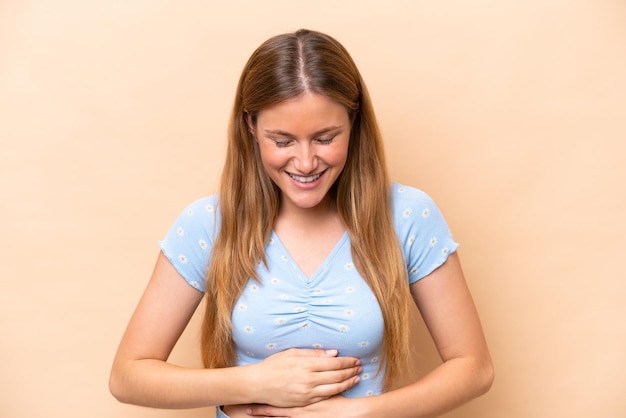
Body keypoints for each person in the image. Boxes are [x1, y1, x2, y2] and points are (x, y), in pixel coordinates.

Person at [109, 28, 494, 418]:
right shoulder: (208, 224)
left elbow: (474, 368)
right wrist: (254, 382)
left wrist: (357, 415)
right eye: (282, 141)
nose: (306, 163)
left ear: (354, 123)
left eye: (325, 138)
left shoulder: (407, 216)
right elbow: (128, 376)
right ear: (250, 126)